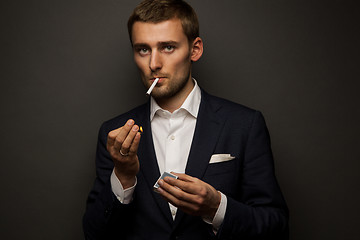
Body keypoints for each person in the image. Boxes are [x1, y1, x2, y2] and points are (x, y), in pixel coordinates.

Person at [83, 0, 289, 239]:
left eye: (168, 47)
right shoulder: (113, 133)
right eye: (143, 49)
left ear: (195, 49)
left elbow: (276, 228)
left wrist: (217, 207)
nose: (153, 64)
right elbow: (94, 233)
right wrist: (124, 176)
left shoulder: (244, 125)